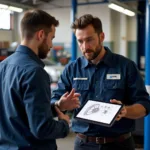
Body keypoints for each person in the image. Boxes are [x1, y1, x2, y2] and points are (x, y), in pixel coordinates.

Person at [51, 14, 150, 150]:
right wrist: (60, 104)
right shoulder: (72, 69)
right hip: (83, 144)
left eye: (89, 40)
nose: (85, 46)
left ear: (101, 37)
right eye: (80, 41)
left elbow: (144, 105)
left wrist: (125, 111)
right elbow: (54, 101)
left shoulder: (126, 66)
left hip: (119, 145)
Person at [0, 9, 80, 150]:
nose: (51, 45)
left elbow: (19, 113)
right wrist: (64, 124)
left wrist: (58, 107)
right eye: (52, 38)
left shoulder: (3, 66)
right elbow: (42, 129)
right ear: (41, 35)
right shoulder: (35, 72)